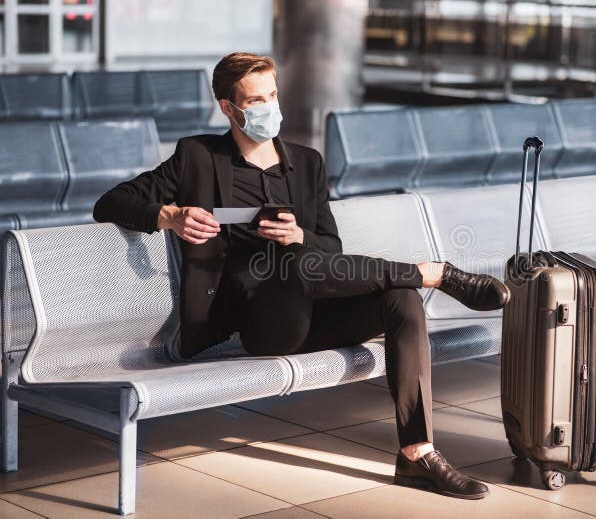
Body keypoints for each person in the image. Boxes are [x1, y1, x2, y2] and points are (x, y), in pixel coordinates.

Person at [93, 52, 511, 500]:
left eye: (272, 95)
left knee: (401, 299)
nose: (268, 107)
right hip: (259, 323)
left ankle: (417, 453)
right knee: (301, 266)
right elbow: (110, 203)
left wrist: (298, 236)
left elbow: (331, 249)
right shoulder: (197, 157)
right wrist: (169, 215)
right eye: (255, 100)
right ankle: (434, 273)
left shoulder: (307, 163)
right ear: (228, 108)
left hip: (317, 308)